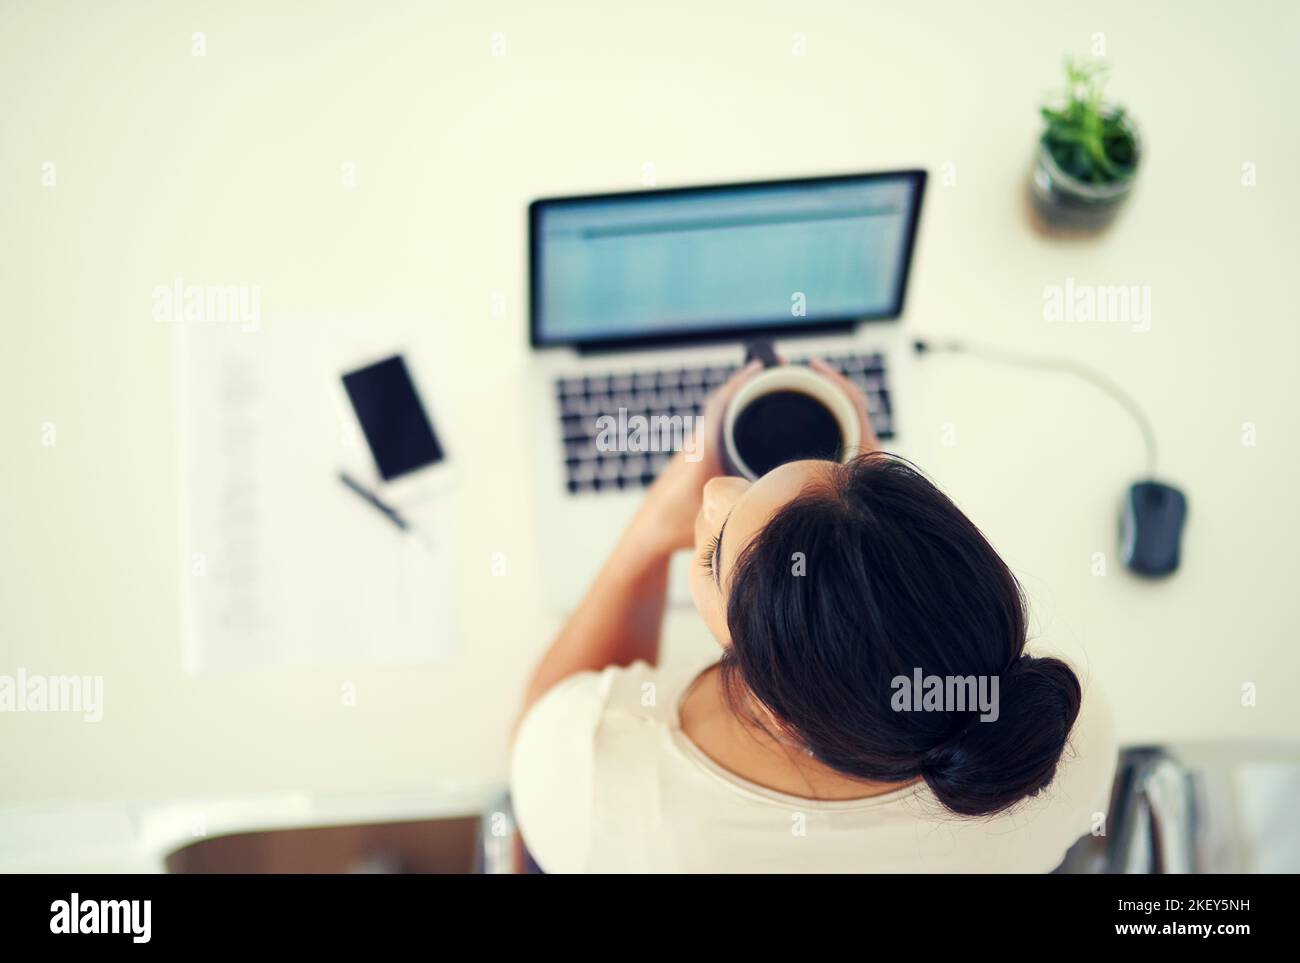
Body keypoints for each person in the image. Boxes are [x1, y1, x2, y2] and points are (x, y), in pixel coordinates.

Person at [510, 360, 1116, 872]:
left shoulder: (587, 778)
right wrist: (864, 518)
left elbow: (544, 721)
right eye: (847, 469)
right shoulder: (1066, 740)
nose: (715, 489)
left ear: (776, 712)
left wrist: (642, 542)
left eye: (719, 555)